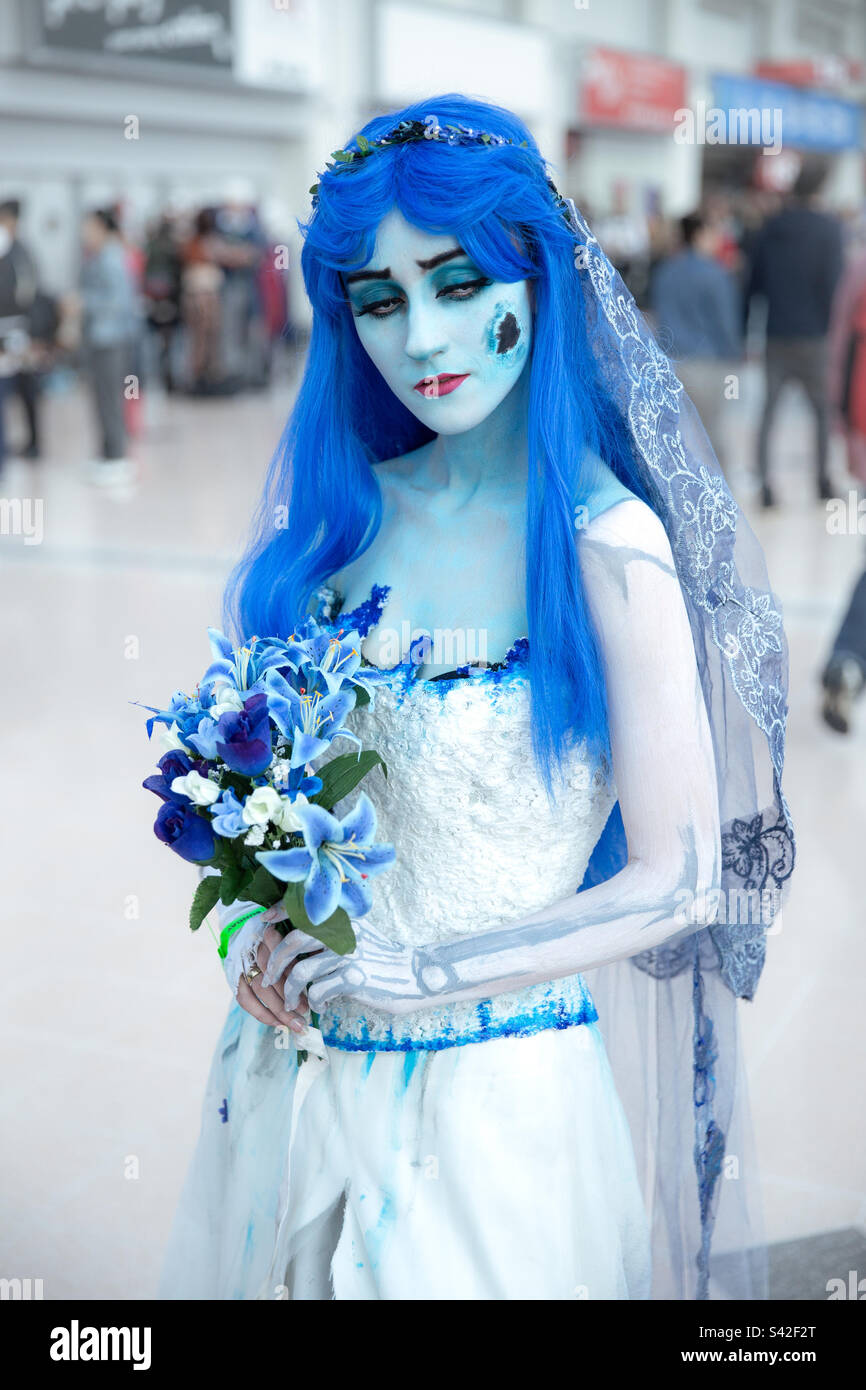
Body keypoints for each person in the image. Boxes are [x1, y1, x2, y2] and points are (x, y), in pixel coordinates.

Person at [159, 97, 794, 1301]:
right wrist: (251, 935)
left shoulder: (611, 550)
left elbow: (680, 875)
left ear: (537, 281)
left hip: (496, 1094)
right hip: (296, 1075)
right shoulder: (337, 535)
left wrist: (423, 977)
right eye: (381, 299)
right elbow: (261, 808)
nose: (424, 335)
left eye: (457, 283)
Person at [745, 163, 844, 507]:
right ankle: (822, 482)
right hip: (816, 337)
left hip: (777, 333)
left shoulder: (771, 228)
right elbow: (833, 287)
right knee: (822, 413)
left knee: (768, 411)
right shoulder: (831, 230)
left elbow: (752, 284)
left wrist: (746, 333)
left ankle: (766, 486)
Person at [651, 212, 741, 473]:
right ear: (700, 234)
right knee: (712, 433)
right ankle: (716, 494)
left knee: (674, 436)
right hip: (707, 363)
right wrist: (734, 356)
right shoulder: (716, 274)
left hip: (671, 361)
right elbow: (726, 322)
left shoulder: (665, 271)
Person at [78, 208, 139, 486]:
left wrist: (83, 303)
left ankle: (118, 458)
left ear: (102, 228)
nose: (84, 233)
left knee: (111, 400)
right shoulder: (98, 257)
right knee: (100, 398)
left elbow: (119, 301)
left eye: (89, 227)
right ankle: (106, 453)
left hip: (112, 339)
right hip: (98, 337)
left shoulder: (112, 259)